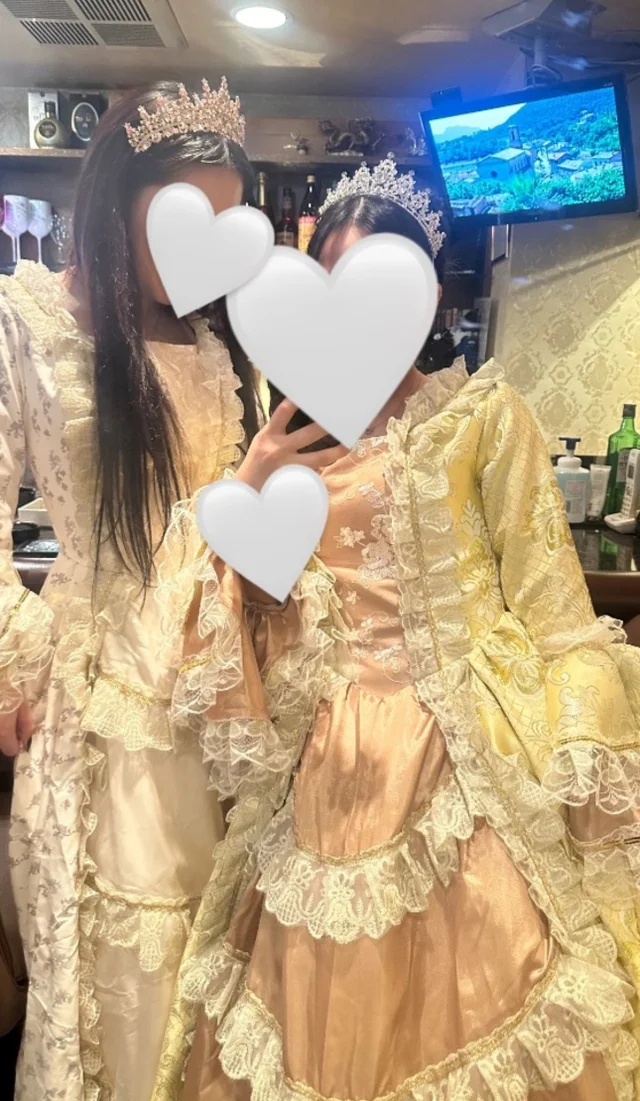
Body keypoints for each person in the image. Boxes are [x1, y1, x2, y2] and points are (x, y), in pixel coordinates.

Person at [161, 156, 640, 1101]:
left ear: (422, 301)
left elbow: (552, 606)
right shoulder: (295, 439)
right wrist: (253, 476)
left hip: (461, 749)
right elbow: (254, 617)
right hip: (329, 757)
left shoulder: (480, 417)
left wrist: (585, 752)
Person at [0, 79, 341, 1101]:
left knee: (219, 939)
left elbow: (225, 531)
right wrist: (11, 659)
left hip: (213, 674)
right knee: (126, 948)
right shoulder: (26, 321)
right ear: (118, 204)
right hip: (106, 690)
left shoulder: (211, 345)